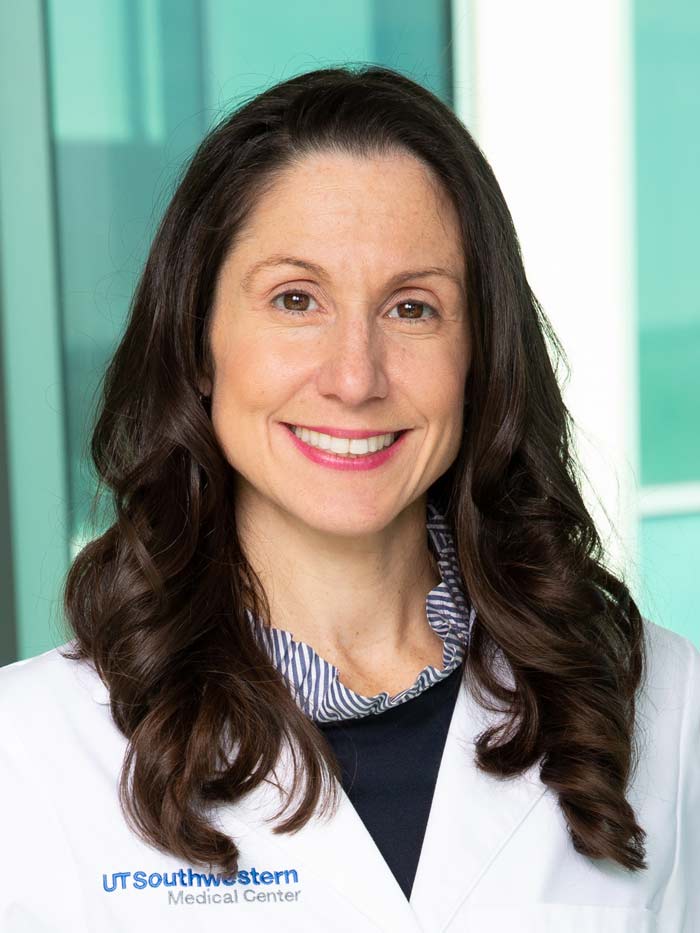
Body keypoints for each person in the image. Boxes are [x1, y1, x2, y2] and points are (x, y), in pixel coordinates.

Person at [0, 64, 697, 933]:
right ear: (199, 339)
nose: (355, 377)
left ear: (480, 354)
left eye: (413, 309)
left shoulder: (664, 709)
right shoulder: (23, 755)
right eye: (297, 300)